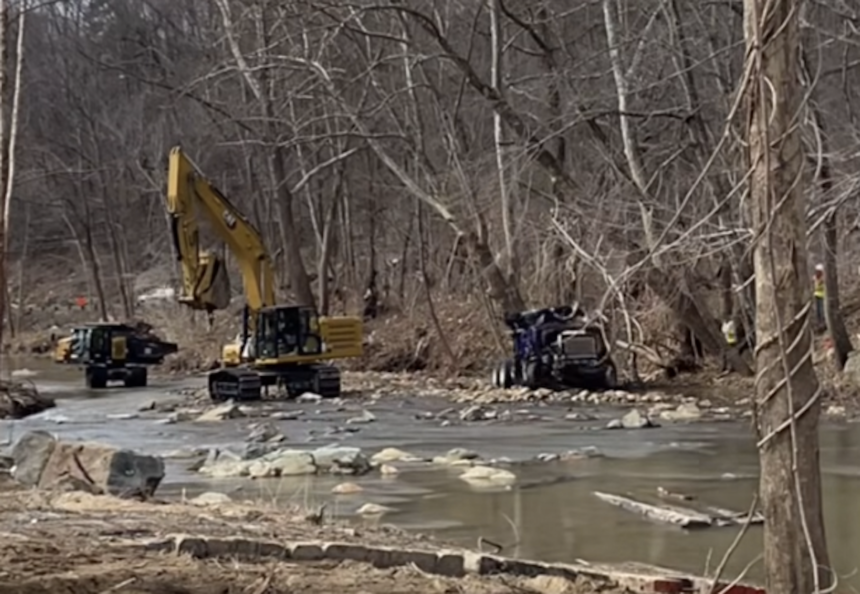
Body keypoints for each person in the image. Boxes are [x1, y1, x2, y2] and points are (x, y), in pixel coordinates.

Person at [813, 263, 825, 329]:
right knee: (819, 311)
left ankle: (822, 323)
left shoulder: (822, 278)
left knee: (821, 310)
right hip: (818, 295)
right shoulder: (817, 278)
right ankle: (820, 323)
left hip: (821, 295)